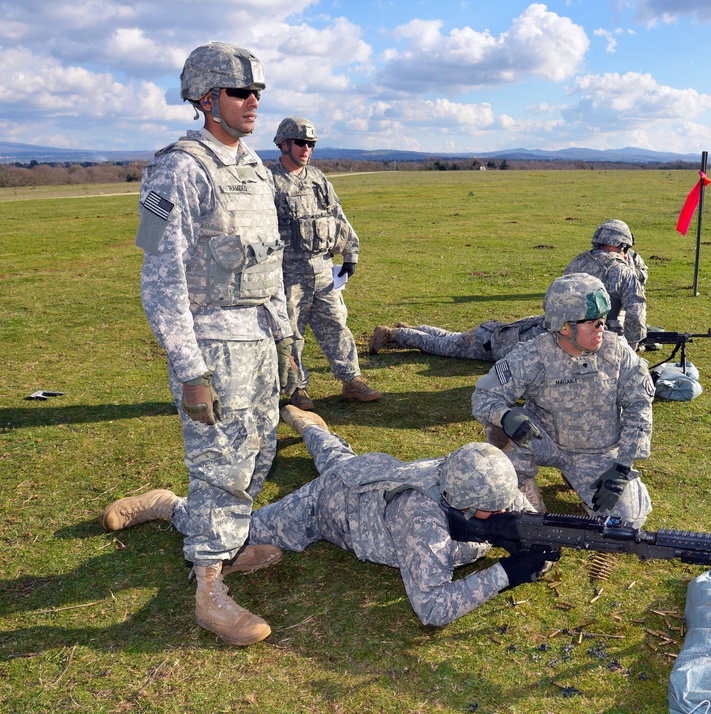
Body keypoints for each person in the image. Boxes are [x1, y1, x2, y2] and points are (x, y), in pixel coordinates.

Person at [122, 41, 297, 646]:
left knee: (257, 455)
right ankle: (209, 589)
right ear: (205, 99)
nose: (253, 103)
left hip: (258, 341)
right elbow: (161, 279)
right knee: (220, 466)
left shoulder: (253, 169)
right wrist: (189, 368)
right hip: (213, 346)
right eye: (240, 93)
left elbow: (269, 267)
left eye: (257, 93)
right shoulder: (178, 168)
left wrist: (287, 340)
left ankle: (211, 529)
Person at [102, 406, 557, 628]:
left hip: (373, 470)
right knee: (236, 530)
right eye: (492, 510)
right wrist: (504, 573)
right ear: (458, 502)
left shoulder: (481, 478)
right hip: (331, 507)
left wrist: (534, 538)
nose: (503, 511)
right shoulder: (421, 520)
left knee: (335, 452)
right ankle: (170, 506)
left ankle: (308, 424)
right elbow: (433, 608)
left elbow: (513, 511)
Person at [471, 273, 655, 526]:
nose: (601, 328)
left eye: (602, 319)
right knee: (519, 514)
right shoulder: (532, 355)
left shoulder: (619, 353)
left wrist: (622, 467)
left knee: (626, 522)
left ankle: (579, 478)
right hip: (542, 441)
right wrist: (505, 416)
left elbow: (639, 408)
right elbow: (484, 395)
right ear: (564, 326)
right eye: (591, 322)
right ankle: (521, 485)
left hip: (598, 452)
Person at [368, 218, 648, 358]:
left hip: (541, 330)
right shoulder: (624, 273)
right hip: (536, 342)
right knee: (455, 346)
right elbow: (635, 317)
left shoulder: (580, 260)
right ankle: (397, 334)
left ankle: (416, 329)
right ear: (621, 247)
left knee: (463, 338)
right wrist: (631, 352)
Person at [270, 115, 381, 409]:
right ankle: (297, 389)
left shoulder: (318, 178)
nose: (306, 148)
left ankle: (351, 380)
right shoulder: (269, 181)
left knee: (336, 324)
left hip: (322, 268)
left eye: (311, 144)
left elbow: (337, 217)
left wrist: (351, 252)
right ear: (284, 144)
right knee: (291, 332)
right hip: (287, 271)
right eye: (300, 142)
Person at [563, 219, 647, 349]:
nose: (625, 254)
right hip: (604, 339)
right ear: (614, 247)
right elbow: (636, 314)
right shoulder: (623, 271)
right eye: (624, 248)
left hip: (569, 337)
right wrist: (632, 346)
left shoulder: (576, 263)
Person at [369, 316, 546, 360]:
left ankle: (415, 330)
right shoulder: (551, 335)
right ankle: (391, 334)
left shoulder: (551, 318)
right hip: (487, 344)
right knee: (438, 345)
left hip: (491, 333)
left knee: (450, 338)